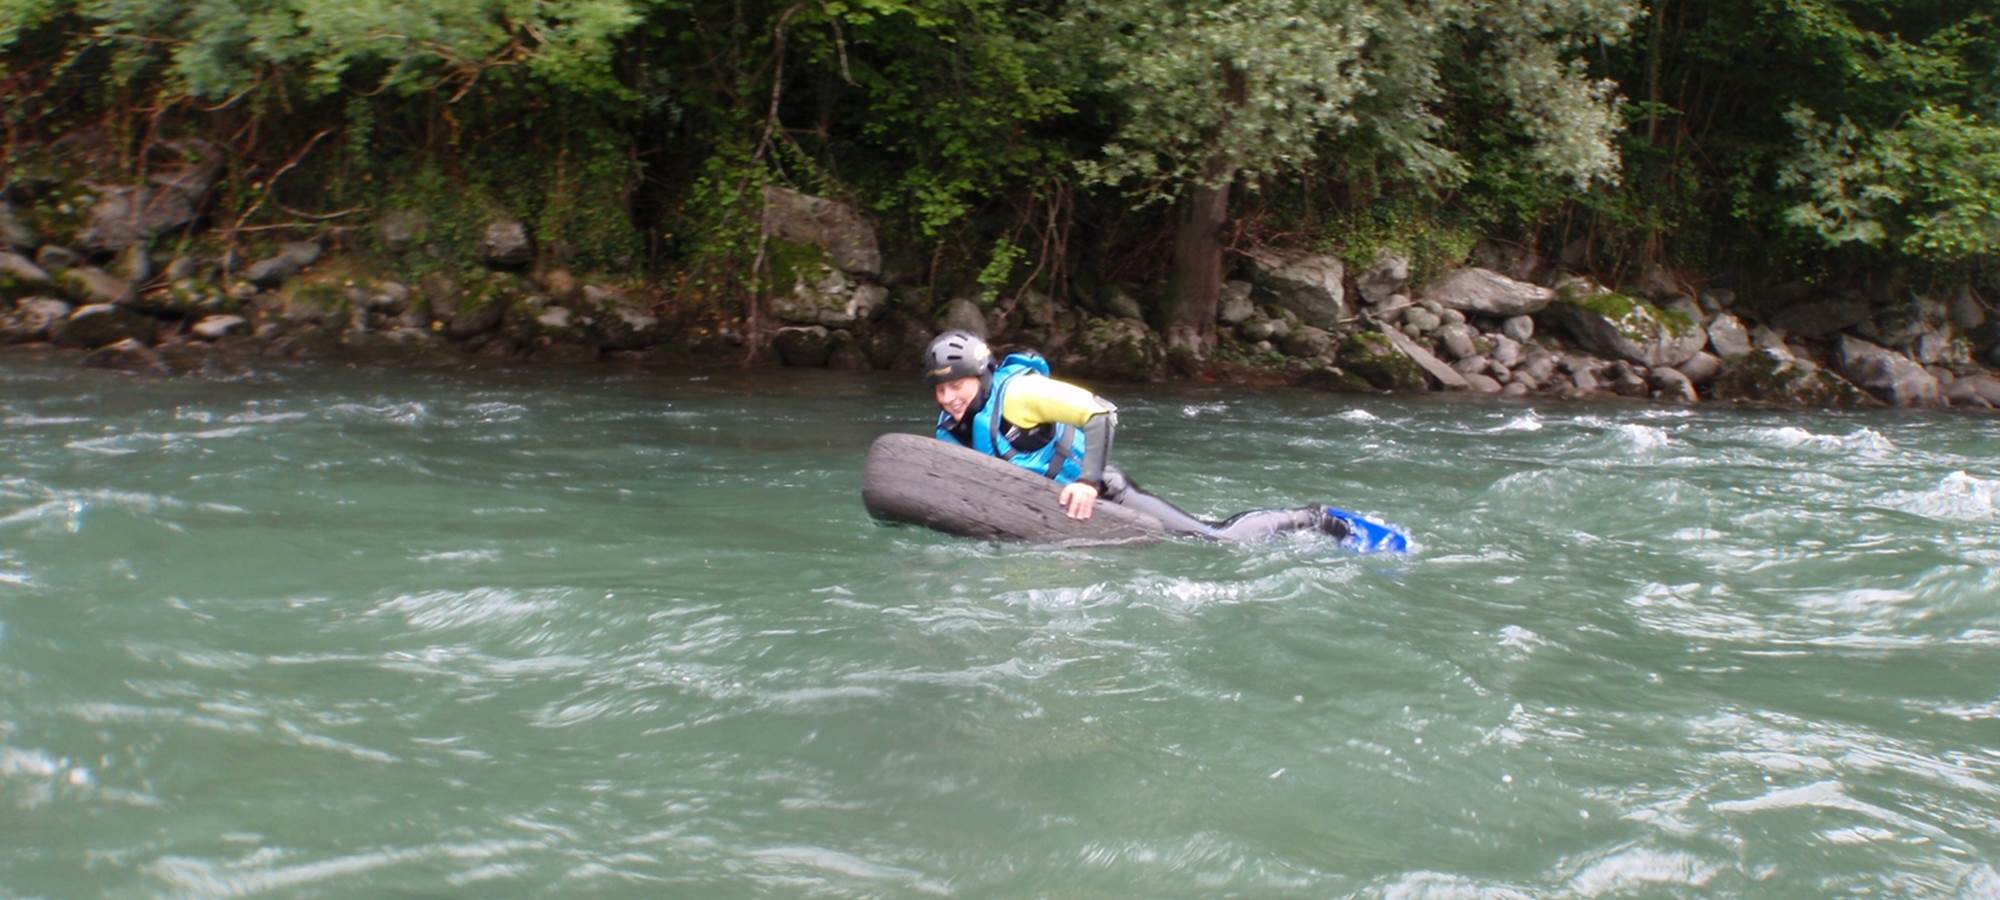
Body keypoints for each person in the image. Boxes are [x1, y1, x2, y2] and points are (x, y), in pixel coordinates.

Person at [923, 329, 1404, 548]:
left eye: (957, 384)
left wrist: (1089, 482)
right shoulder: (951, 427)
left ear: (982, 375)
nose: (948, 396)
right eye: (940, 387)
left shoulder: (1022, 392)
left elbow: (1100, 413)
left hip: (1106, 494)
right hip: (1047, 511)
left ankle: (1316, 518)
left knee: (1213, 541)